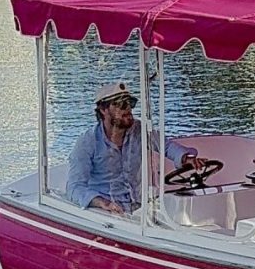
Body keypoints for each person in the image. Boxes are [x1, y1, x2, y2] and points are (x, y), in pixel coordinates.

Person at [66, 82, 205, 214]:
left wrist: (185, 158)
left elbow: (166, 146)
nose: (128, 109)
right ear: (103, 110)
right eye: (121, 105)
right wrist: (103, 203)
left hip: (140, 209)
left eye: (130, 103)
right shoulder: (87, 142)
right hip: (105, 213)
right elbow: (74, 187)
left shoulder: (139, 130)